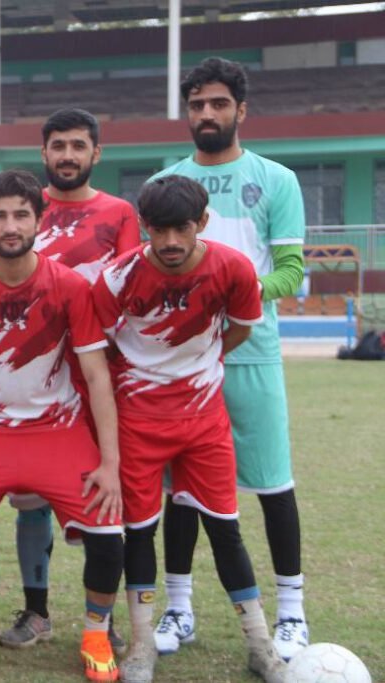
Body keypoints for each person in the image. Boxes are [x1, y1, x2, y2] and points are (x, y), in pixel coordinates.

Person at [0, 170, 124, 680]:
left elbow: (97, 377)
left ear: (39, 219)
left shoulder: (71, 285)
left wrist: (111, 464)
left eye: (21, 215)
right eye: (0, 216)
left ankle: (96, 635)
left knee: (109, 529)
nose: (11, 226)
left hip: (57, 430)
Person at [93, 175, 288, 683]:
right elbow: (101, 349)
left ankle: (260, 645)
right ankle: (141, 646)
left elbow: (240, 326)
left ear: (202, 223)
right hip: (137, 423)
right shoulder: (117, 278)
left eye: (182, 228)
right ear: (144, 228)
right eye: (159, 230)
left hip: (205, 423)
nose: (171, 242)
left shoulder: (232, 268)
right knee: (138, 531)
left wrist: (202, 363)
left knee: (225, 528)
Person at [151, 57, 309, 661]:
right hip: (184, 361)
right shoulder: (168, 181)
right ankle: (178, 608)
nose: (207, 114)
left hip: (253, 355)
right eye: (197, 105)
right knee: (182, 491)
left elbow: (293, 272)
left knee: (273, 484)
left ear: (240, 111)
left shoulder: (277, 180)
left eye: (218, 104)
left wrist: (234, 292)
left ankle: (291, 611)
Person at [3, 107, 139, 651]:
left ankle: (103, 621)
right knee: (30, 498)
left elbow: (130, 291)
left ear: (95, 154)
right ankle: (37, 612)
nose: (67, 155)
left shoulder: (120, 212)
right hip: (35, 376)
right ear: (44, 153)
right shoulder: (22, 210)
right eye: (57, 145)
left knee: (108, 496)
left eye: (78, 146)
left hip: (99, 373)